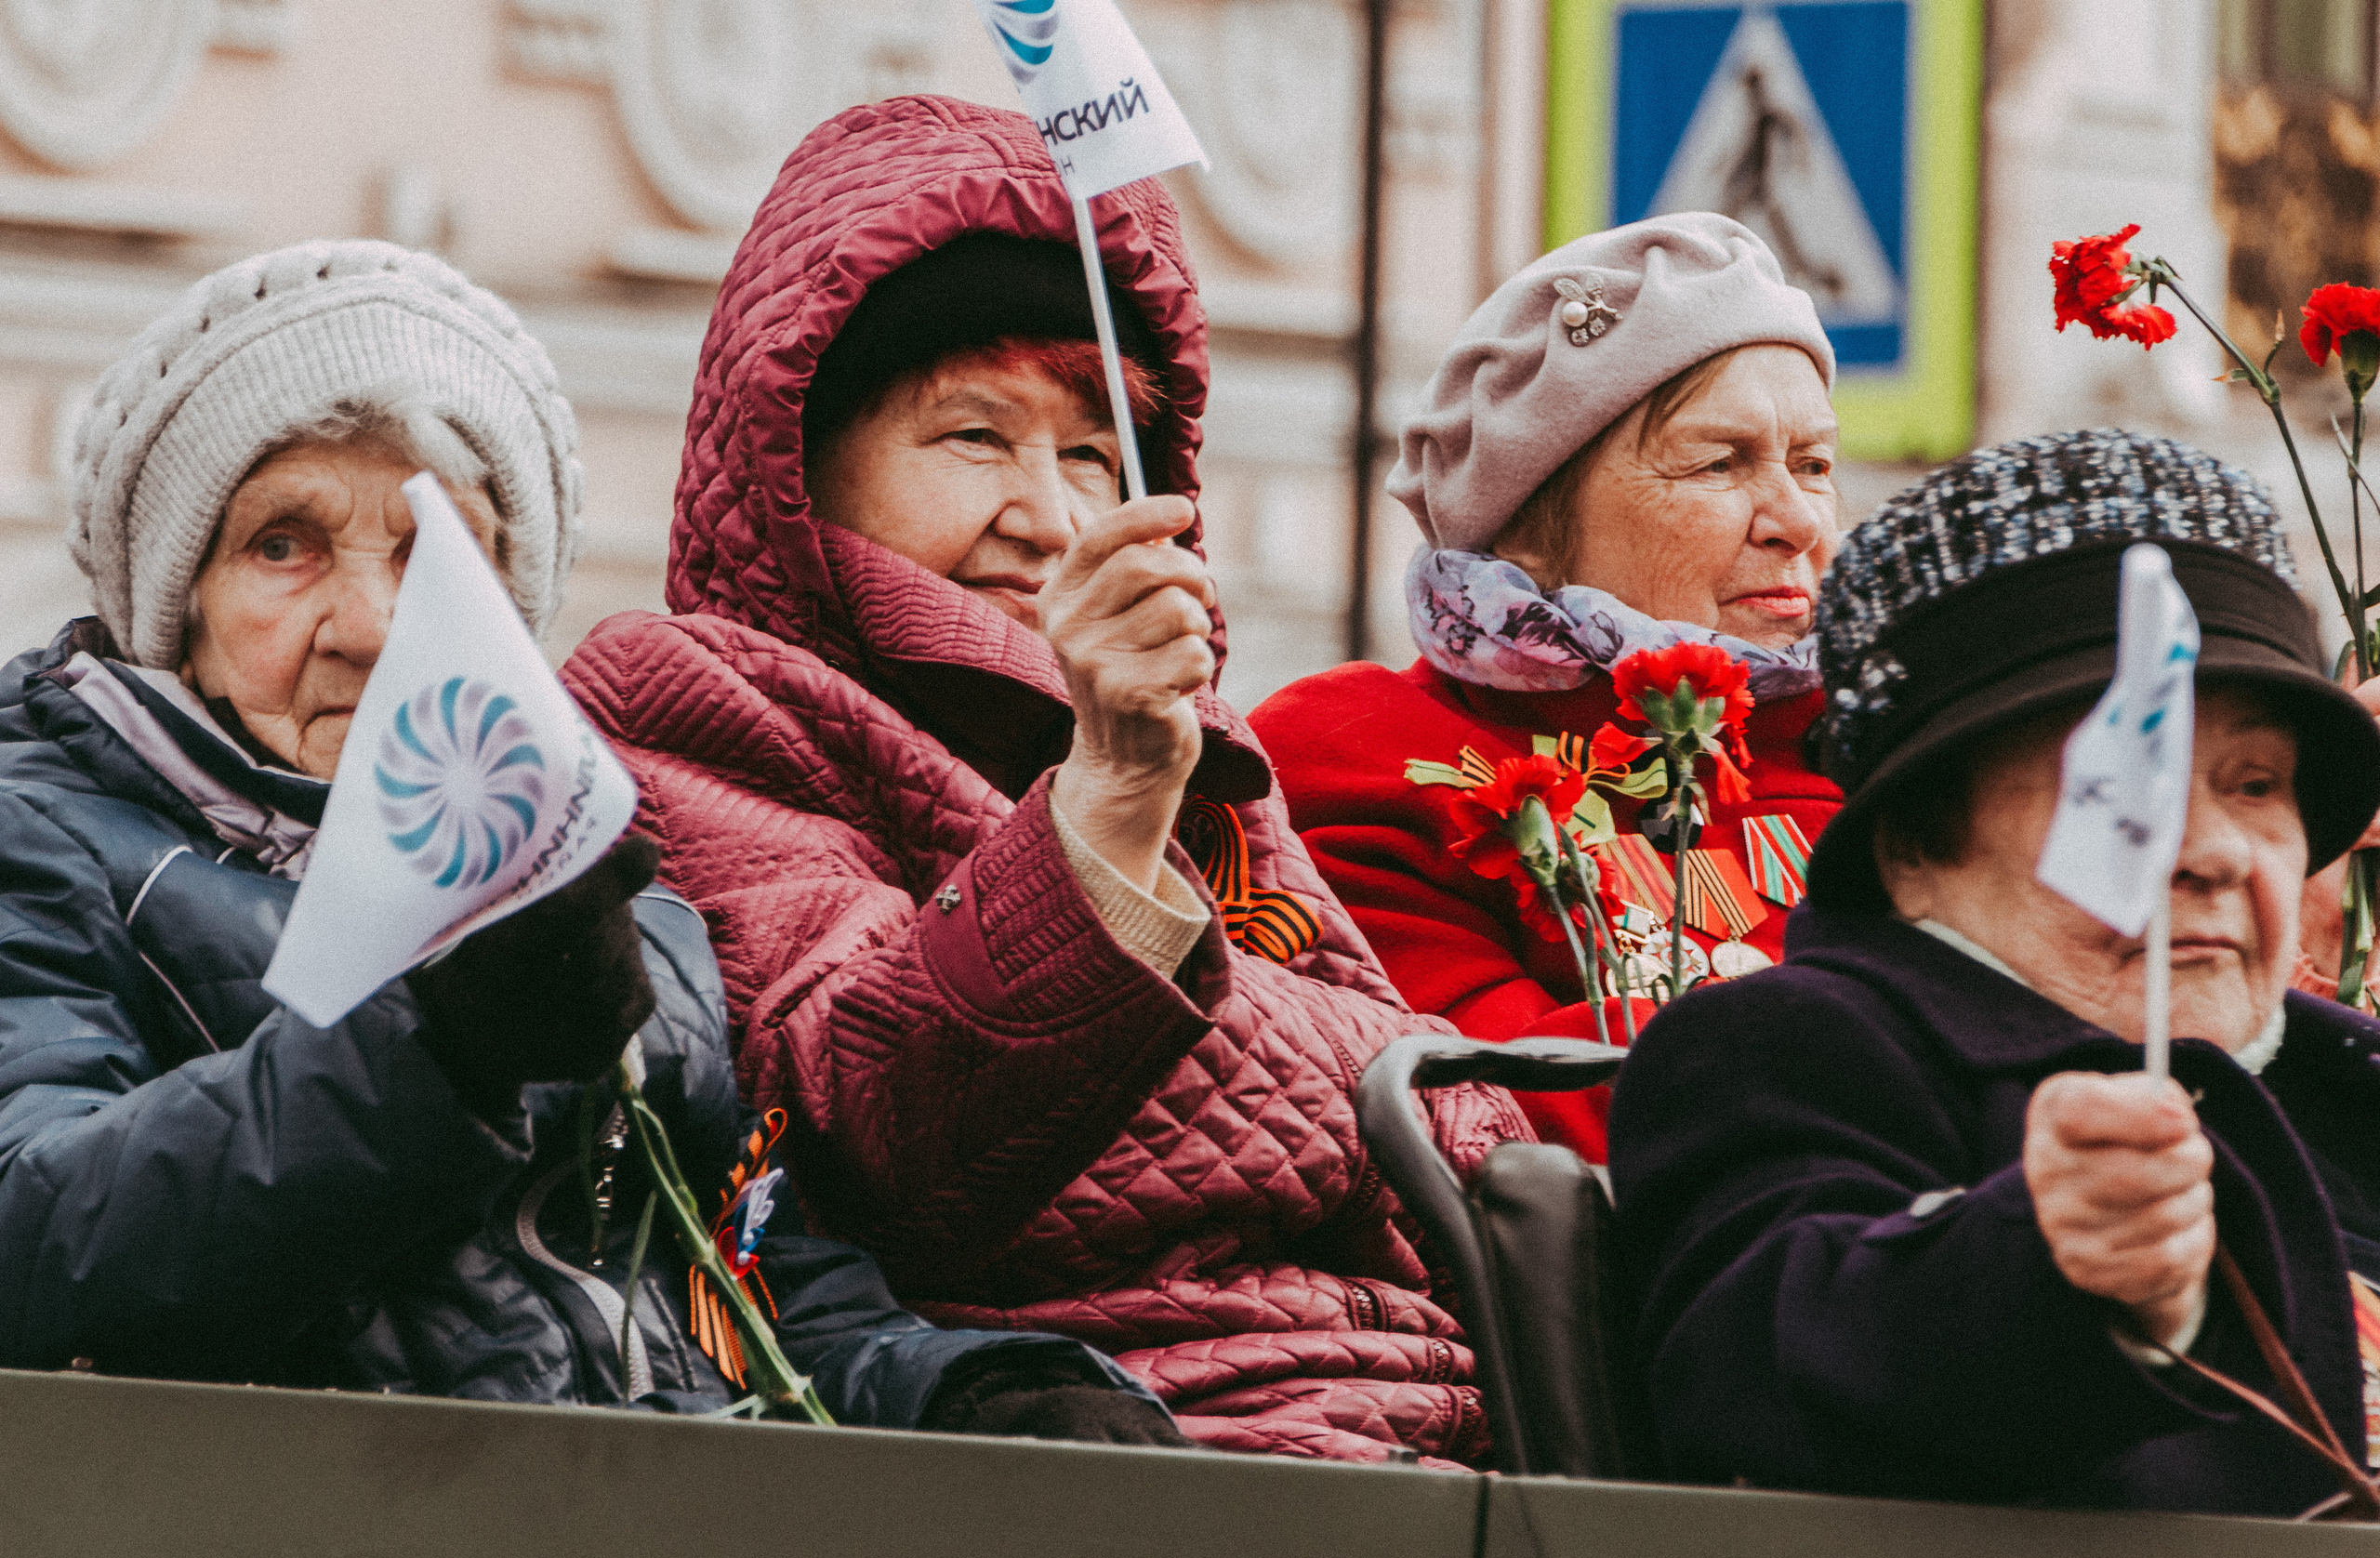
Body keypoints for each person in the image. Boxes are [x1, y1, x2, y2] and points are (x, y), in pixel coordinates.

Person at [0, 238, 1179, 1441]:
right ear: (176, 599)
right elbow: (32, 1237)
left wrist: (959, 1384)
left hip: (639, 1524)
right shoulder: (44, 835)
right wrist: (441, 1049)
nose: (367, 624)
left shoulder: (606, 876)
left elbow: (749, 1275)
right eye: (282, 545)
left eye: (434, 551)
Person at [562, 95, 1529, 1467]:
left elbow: (1461, 1131)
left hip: (1435, 1438)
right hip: (1103, 1460)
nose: (1054, 516)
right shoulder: (693, 701)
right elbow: (867, 1138)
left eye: (1090, 451)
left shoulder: (1200, 756)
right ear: (798, 454)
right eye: (972, 437)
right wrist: (1110, 810)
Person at [1609, 429, 2380, 1514]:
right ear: (1913, 845)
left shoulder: (2347, 1084)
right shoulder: (1794, 1049)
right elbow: (1764, 1368)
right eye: (2115, 788)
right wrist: (2060, 1269)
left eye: (2254, 786)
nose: (2204, 852)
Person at [1250, 215, 1844, 1159]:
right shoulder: (1367, 759)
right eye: (1718, 462)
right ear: (1526, 525)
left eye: (1813, 464)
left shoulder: (1890, 753)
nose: (1798, 520)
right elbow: (1493, 1117)